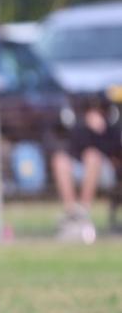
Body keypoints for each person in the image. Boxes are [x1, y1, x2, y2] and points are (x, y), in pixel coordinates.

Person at [52, 94, 122, 241]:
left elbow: (115, 154)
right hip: (81, 169)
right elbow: (73, 150)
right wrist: (87, 129)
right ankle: (72, 213)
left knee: (92, 156)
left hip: (105, 172)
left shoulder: (113, 130)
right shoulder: (79, 128)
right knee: (60, 160)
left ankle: (83, 210)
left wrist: (100, 133)